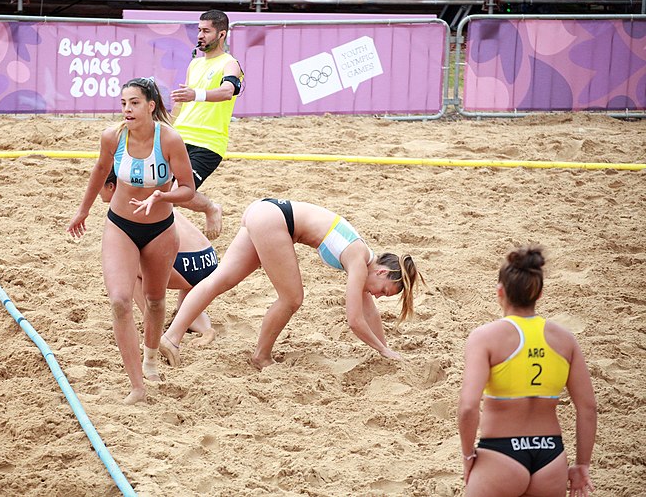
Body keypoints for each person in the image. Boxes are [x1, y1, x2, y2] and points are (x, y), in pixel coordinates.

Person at [159, 198, 422, 369]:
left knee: (218, 281)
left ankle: (171, 338)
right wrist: (382, 350)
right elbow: (354, 320)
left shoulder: (363, 259)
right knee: (292, 298)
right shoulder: (358, 255)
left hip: (265, 211)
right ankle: (261, 356)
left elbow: (368, 311)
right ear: (383, 273)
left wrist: (386, 350)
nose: (377, 296)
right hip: (274, 220)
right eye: (384, 292)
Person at [67, 77, 195, 405]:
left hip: (160, 228)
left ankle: (151, 357)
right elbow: (99, 170)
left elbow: (188, 189)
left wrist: (161, 195)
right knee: (120, 301)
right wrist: (82, 211)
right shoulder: (112, 136)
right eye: (124, 103)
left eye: (134, 103)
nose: (127, 109)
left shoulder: (169, 139)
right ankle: (137, 385)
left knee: (153, 300)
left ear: (151, 106)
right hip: (120, 225)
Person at [457, 245, 597, 497]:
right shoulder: (565, 340)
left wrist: (468, 455)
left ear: (500, 291)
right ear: (539, 293)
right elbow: (587, 407)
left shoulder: (485, 337)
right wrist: (582, 465)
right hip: (550, 456)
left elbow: (468, 407)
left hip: (501, 453)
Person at [100, 168, 219, 345]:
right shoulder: (149, 197)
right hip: (209, 260)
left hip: (185, 264)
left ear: (111, 186)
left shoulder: (128, 206)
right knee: (184, 306)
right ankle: (205, 329)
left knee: (126, 269)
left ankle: (154, 325)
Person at [170, 9, 244, 240]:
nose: (200, 35)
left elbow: (226, 91)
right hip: (179, 138)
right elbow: (181, 104)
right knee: (158, 193)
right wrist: (164, 129)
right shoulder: (194, 64)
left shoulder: (230, 64)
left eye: (206, 31)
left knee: (175, 194)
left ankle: (211, 208)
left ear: (221, 34)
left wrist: (196, 95)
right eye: (199, 30)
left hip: (208, 142)